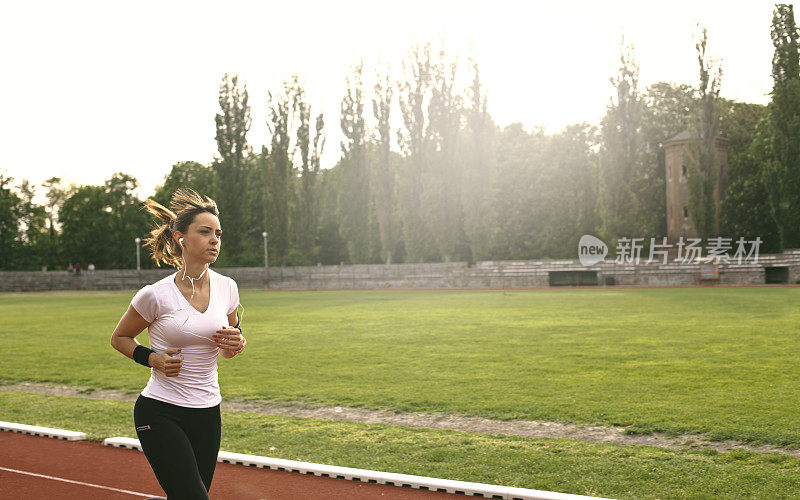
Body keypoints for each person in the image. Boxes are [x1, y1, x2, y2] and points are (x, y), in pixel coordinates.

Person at [110, 188, 245, 499]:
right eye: (205, 232)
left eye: (218, 234)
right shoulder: (154, 294)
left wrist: (237, 342)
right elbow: (119, 338)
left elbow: (231, 344)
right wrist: (152, 358)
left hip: (208, 413)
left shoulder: (228, 288)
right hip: (160, 412)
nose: (215, 240)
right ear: (181, 237)